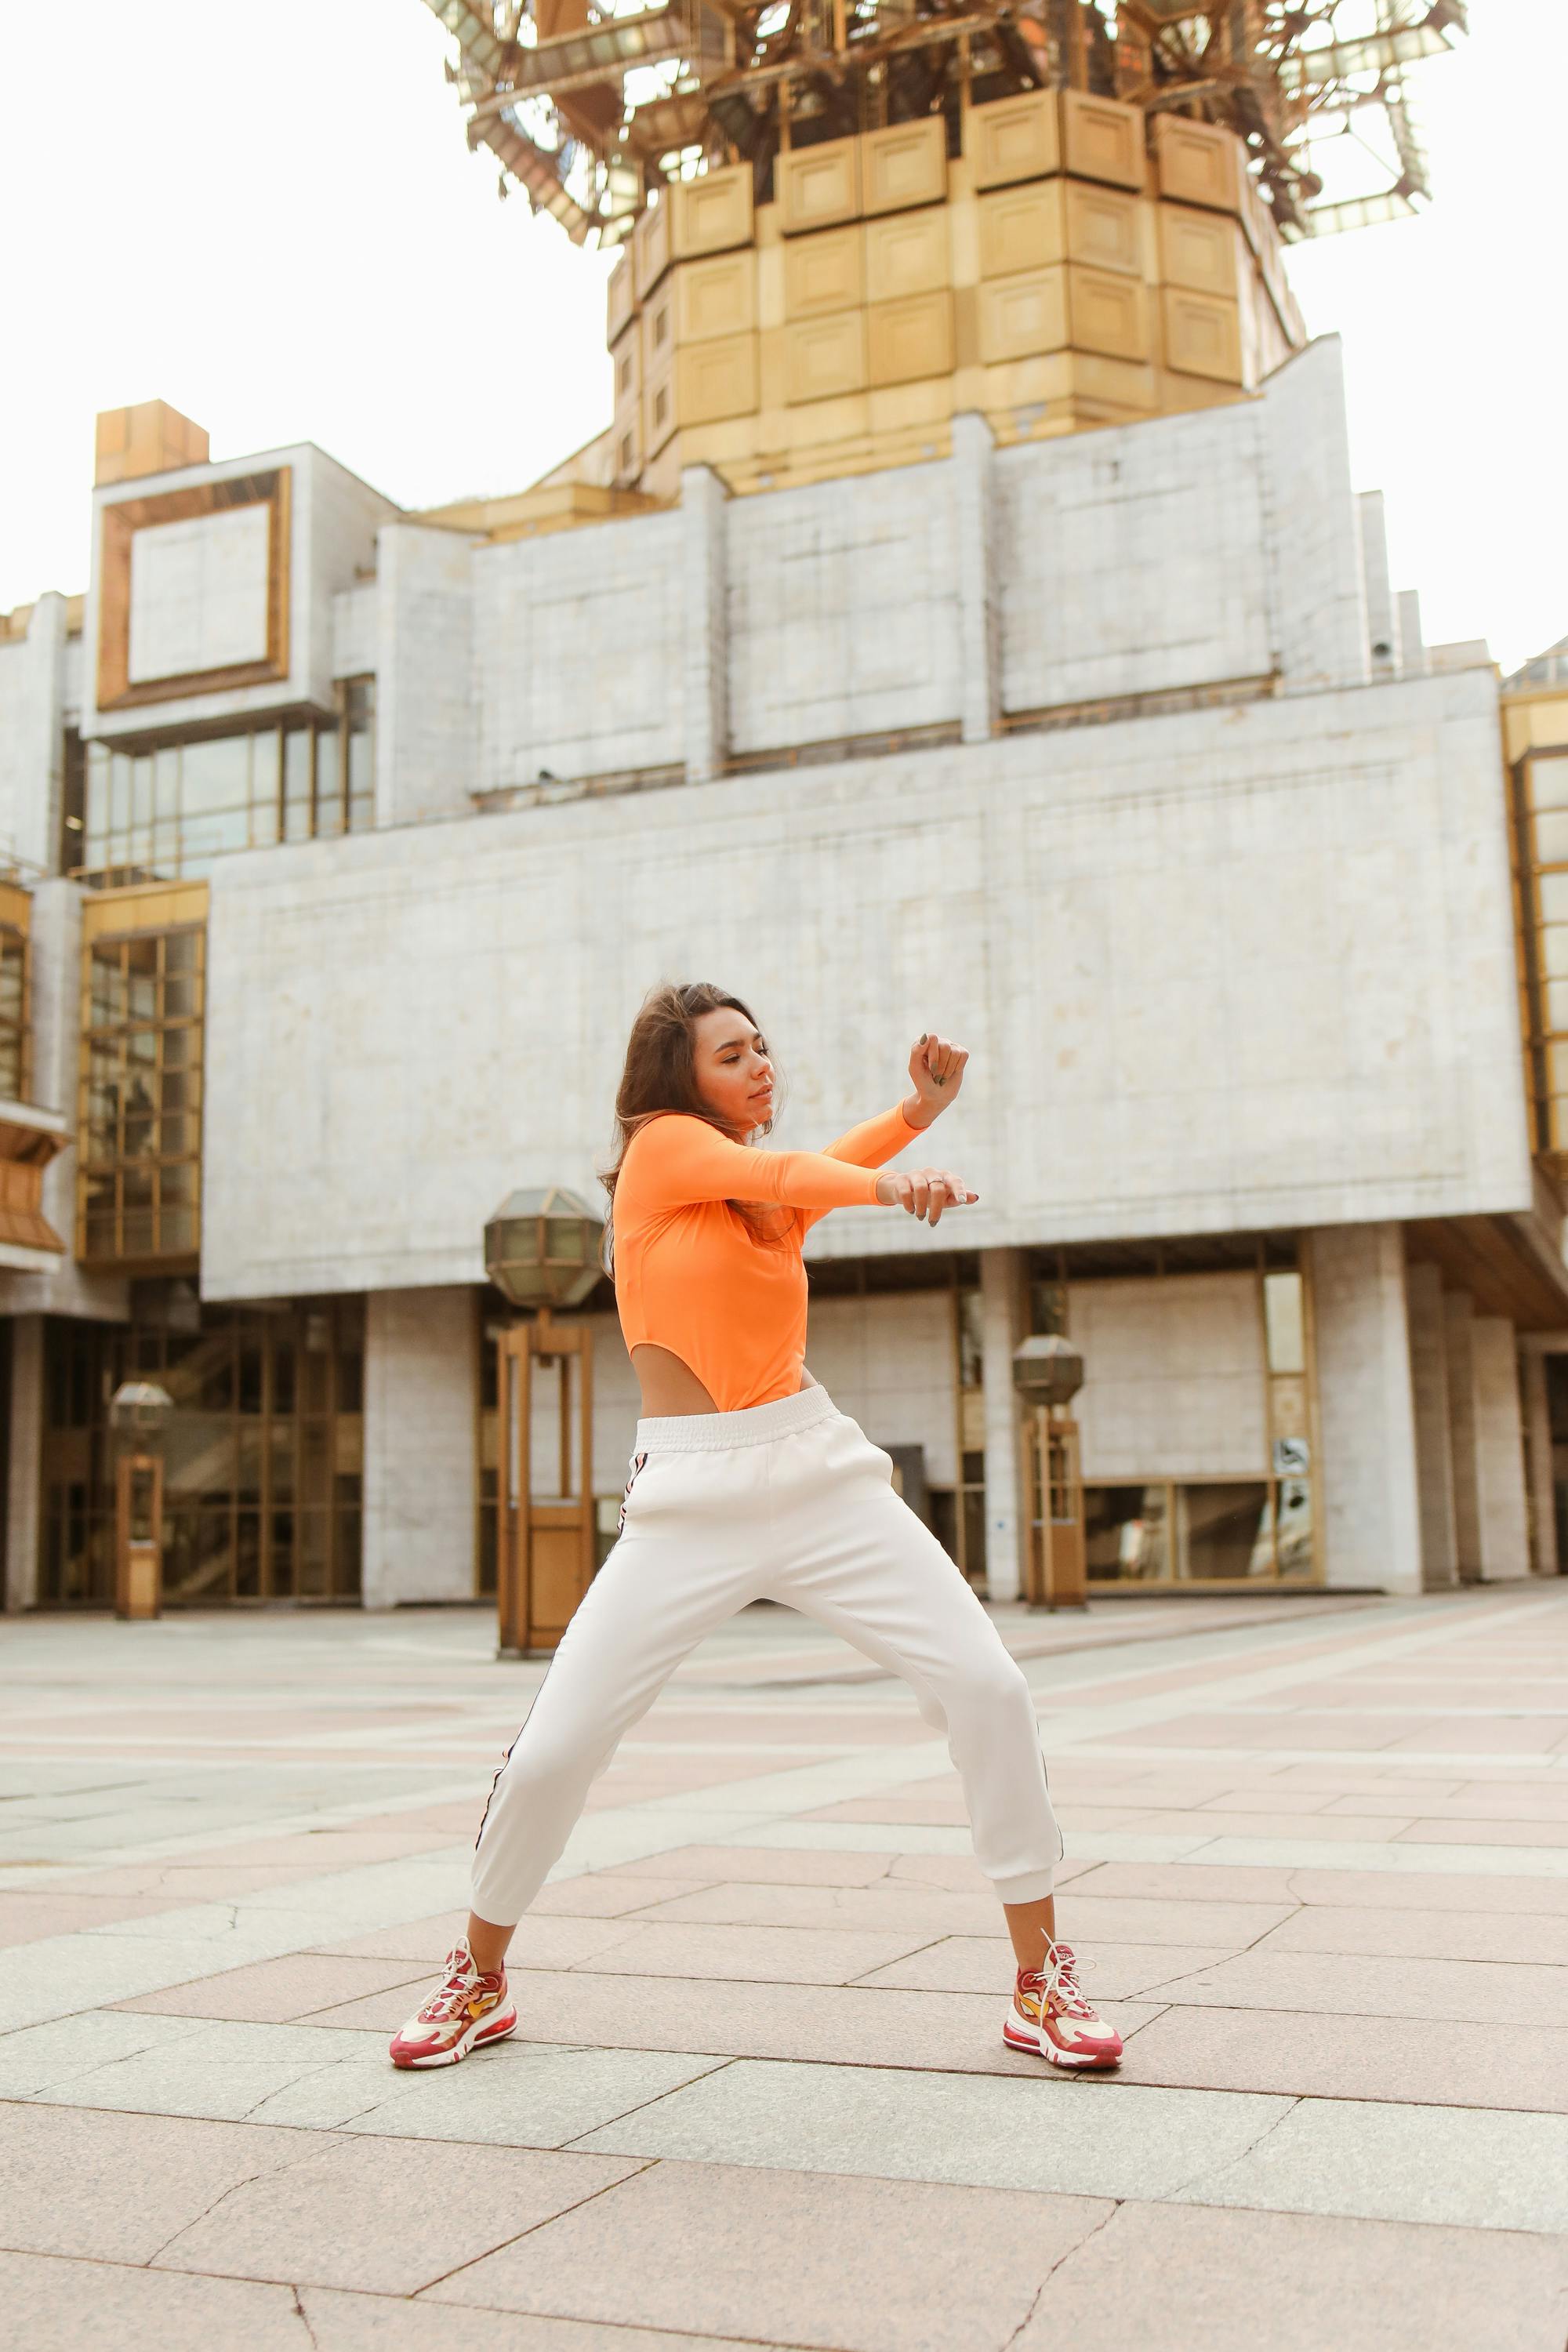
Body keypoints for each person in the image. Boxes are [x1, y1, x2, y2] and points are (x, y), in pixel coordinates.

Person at [390, 983, 1121, 2074]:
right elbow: (788, 1170)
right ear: (681, 1079)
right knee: (552, 1754)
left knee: (989, 1690)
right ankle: (479, 1976)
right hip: (688, 1502)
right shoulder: (661, 1152)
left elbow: (792, 1180)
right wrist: (890, 1179)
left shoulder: (755, 1203)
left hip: (819, 1474)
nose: (760, 1064)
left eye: (763, 1047)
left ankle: (1040, 1980)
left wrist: (916, 1113)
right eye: (733, 1054)